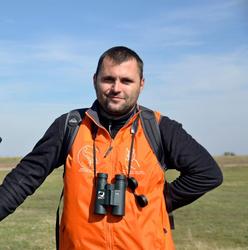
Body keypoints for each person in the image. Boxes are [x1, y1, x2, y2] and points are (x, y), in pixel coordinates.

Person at [0, 46, 223, 250]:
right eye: (108, 79)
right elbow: (23, 179)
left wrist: (160, 201)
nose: (116, 88)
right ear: (95, 80)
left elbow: (207, 173)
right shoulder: (70, 126)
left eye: (126, 81)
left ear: (141, 84)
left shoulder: (159, 128)